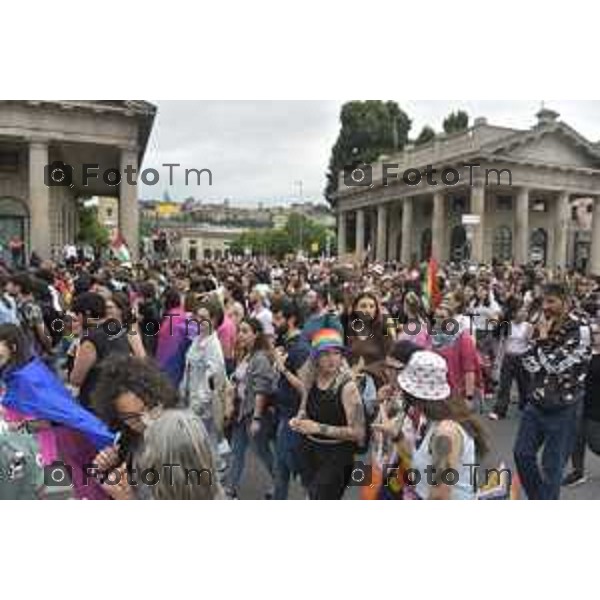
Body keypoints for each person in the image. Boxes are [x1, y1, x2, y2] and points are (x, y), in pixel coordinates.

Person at [514, 283, 591, 500]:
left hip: (564, 408)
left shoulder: (581, 329)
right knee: (522, 454)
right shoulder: (542, 324)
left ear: (565, 303)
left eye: (551, 302)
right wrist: (539, 342)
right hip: (536, 403)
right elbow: (527, 362)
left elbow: (557, 367)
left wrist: (542, 340)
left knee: (551, 468)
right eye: (543, 301)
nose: (545, 307)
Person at [396, 351, 489, 500]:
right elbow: (421, 459)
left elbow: (440, 495)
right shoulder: (430, 420)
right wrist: (396, 436)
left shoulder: (445, 433)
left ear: (414, 395)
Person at [290, 328, 365, 500]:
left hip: (336, 457)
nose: (332, 359)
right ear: (316, 357)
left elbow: (358, 433)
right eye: (325, 354)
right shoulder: (311, 378)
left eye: (336, 353)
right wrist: (298, 420)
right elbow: (304, 409)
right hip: (310, 452)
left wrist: (318, 427)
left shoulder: (347, 387)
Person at [91, 356, 179, 500]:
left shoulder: (177, 443)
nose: (144, 421)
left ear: (158, 399)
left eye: (149, 409)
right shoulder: (126, 440)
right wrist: (106, 467)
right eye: (132, 417)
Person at [228, 318, 278, 498]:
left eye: (245, 331)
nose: (240, 334)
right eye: (239, 330)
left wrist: (256, 419)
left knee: (263, 452)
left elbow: (261, 391)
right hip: (242, 411)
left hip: (254, 414)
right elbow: (241, 378)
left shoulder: (260, 358)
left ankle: (279, 483)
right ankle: (230, 490)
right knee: (237, 451)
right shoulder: (246, 354)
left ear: (256, 335)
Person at [271, 300, 310, 499]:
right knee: (281, 469)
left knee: (296, 468)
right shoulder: (286, 342)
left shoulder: (301, 348)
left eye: (277, 319)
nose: (273, 324)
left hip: (293, 417)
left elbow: (305, 387)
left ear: (291, 320)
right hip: (284, 413)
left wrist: (283, 368)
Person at [69, 292, 131, 409]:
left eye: (77, 315)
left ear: (87, 313)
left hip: (96, 401)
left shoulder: (91, 339)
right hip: (118, 392)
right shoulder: (116, 327)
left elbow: (76, 378)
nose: (77, 319)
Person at [489, 302, 532, 420]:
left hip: (522, 357)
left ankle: (525, 407)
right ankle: (499, 410)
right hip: (508, 357)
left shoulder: (528, 326)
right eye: (521, 311)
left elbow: (531, 343)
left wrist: (530, 340)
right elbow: (501, 341)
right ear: (514, 313)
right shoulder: (507, 325)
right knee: (505, 385)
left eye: (525, 311)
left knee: (524, 385)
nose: (524, 313)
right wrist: (498, 360)